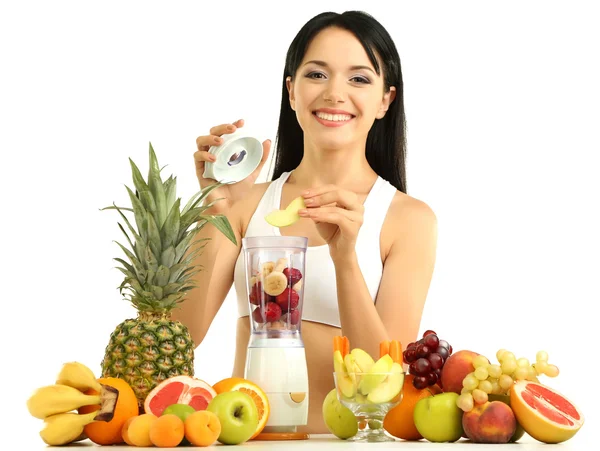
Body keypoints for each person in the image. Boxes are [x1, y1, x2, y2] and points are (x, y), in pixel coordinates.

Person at [172, 10, 438, 434]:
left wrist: (345, 258)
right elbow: (181, 335)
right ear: (292, 91)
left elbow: (387, 379)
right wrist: (214, 208)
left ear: (385, 100)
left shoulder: (407, 219)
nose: (335, 93)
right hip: (248, 440)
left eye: (359, 79)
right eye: (317, 74)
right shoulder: (244, 206)